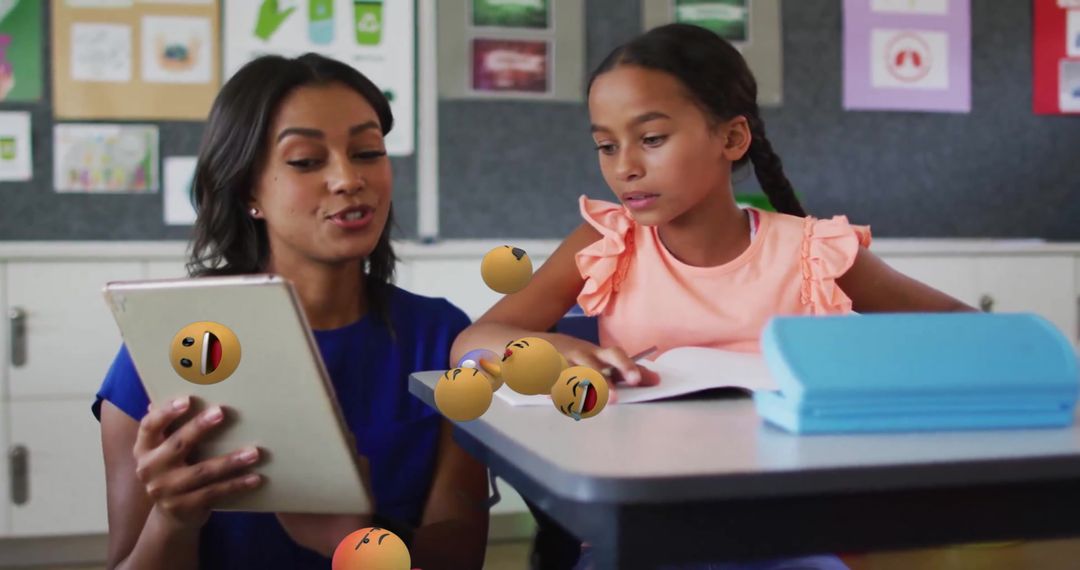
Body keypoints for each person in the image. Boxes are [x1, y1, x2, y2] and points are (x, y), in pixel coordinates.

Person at [451, 23, 973, 570]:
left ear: (731, 138)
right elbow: (472, 341)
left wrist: (868, 376)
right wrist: (552, 350)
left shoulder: (815, 251)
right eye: (606, 145)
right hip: (644, 528)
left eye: (651, 139)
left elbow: (967, 332)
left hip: (783, 533)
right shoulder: (607, 243)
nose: (624, 166)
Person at [94, 53, 489, 570]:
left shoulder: (441, 338)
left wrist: (354, 542)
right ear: (248, 190)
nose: (348, 178)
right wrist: (174, 518)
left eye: (368, 151)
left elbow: (460, 558)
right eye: (305, 161)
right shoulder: (174, 343)